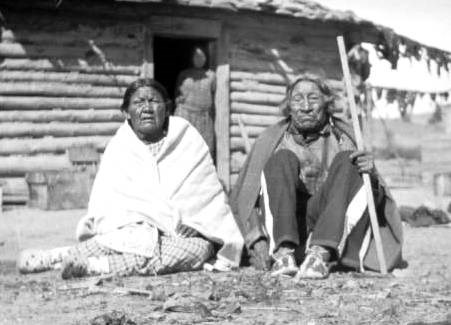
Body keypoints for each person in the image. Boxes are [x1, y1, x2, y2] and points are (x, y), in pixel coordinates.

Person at [18, 78, 243, 279]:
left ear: (167, 108)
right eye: (138, 103)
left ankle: (94, 267)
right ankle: (57, 257)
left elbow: (206, 194)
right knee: (115, 242)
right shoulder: (120, 146)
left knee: (197, 251)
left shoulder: (188, 138)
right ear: (126, 112)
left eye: (154, 101)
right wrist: (137, 223)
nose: (146, 108)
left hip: (180, 237)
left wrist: (195, 223)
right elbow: (107, 203)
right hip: (130, 232)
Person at [230, 76, 403, 279]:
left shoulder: (344, 137)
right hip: (287, 226)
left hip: (331, 229)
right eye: (297, 100)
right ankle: (283, 255)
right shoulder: (272, 139)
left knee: (349, 160)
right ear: (289, 106)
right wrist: (255, 239)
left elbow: (372, 196)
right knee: (280, 160)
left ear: (327, 103)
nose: (305, 107)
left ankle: (320, 255)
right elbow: (246, 198)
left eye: (313, 99)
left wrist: (369, 174)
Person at [174, 46, 216, 155]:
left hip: (204, 117)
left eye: (202, 56)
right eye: (196, 56)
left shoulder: (211, 76)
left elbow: (215, 94)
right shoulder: (184, 74)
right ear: (191, 57)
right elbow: (177, 95)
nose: (199, 59)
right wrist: (179, 99)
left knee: (204, 149)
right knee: (183, 148)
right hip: (185, 114)